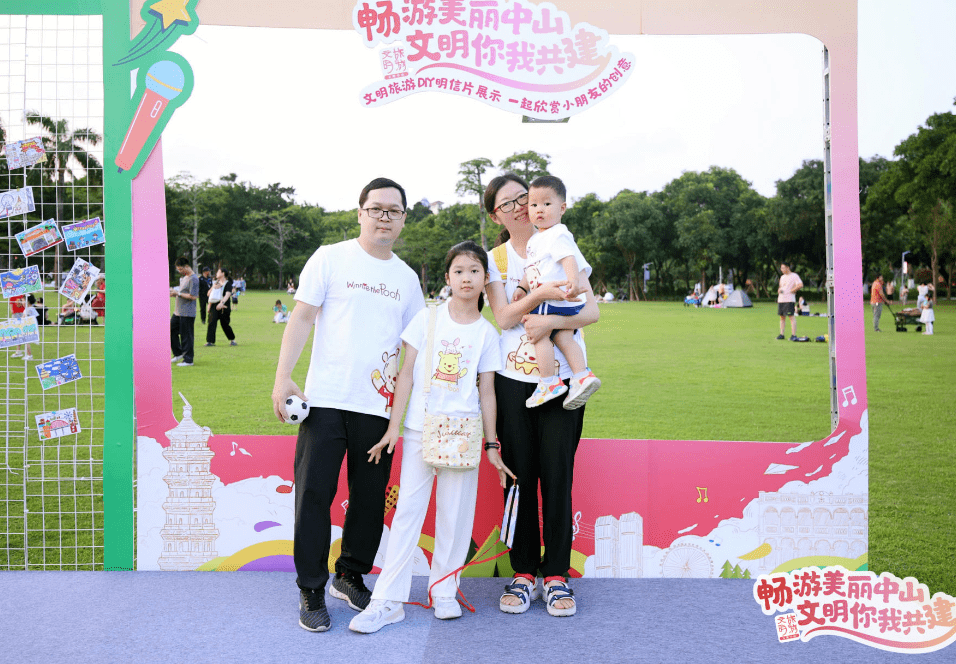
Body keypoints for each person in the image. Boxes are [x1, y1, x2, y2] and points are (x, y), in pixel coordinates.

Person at [271, 177, 425, 633]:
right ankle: (311, 589)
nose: (384, 217)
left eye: (393, 211)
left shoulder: (407, 278)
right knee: (314, 495)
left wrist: (398, 416)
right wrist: (282, 377)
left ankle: (350, 575)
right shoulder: (330, 257)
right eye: (376, 209)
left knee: (369, 500)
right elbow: (302, 317)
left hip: (377, 408)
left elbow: (413, 353)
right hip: (324, 400)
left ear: (403, 219)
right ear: (360, 213)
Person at [349, 241, 512, 633]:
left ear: (485, 279)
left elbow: (487, 391)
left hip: (463, 433)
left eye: (474, 271)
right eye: (459, 271)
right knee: (408, 511)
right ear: (447, 278)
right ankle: (388, 600)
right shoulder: (427, 318)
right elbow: (404, 373)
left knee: (455, 516)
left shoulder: (487, 333)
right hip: (420, 429)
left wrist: (492, 443)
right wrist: (393, 426)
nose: (466, 278)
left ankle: (444, 591)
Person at [483, 174, 599, 618]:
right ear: (496, 215)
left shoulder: (560, 241)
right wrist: (541, 296)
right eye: (508, 203)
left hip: (565, 380)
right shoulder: (496, 258)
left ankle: (556, 575)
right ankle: (524, 572)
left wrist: (550, 322)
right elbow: (503, 317)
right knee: (520, 477)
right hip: (514, 381)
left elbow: (591, 310)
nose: (520, 207)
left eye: (524, 198)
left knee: (556, 476)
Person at [511, 176, 601, 409]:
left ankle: (549, 382)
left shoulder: (557, 234)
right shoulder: (537, 239)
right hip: (561, 300)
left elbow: (568, 258)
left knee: (537, 332)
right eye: (534, 204)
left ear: (562, 208)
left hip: (554, 297)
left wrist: (572, 282)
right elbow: (532, 268)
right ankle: (582, 375)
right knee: (562, 336)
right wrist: (522, 287)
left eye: (546, 204)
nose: (539, 209)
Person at [169, 257, 199, 367]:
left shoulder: (194, 279)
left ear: (186, 266)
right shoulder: (185, 278)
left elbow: (193, 296)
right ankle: (178, 353)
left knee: (186, 336)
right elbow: (181, 293)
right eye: (178, 270)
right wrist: (175, 293)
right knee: (170, 330)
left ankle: (188, 360)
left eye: (181, 269)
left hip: (187, 313)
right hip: (178, 312)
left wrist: (178, 294)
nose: (180, 271)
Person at [205, 268, 237, 347]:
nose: (216, 273)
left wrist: (221, 303)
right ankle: (210, 341)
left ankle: (232, 340)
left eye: (218, 272)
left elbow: (227, 294)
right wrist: (213, 287)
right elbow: (208, 294)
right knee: (211, 322)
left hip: (224, 306)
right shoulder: (215, 283)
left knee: (225, 324)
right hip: (214, 305)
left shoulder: (228, 284)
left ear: (223, 273)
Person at [776, 263, 803, 340]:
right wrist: (779, 290)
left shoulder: (794, 276)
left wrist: (793, 290)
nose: (782, 270)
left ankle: (793, 335)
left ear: (788, 268)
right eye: (781, 268)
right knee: (782, 317)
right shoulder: (782, 277)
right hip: (781, 299)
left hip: (789, 299)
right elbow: (781, 286)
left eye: (783, 268)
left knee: (791, 317)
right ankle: (781, 334)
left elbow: (800, 285)